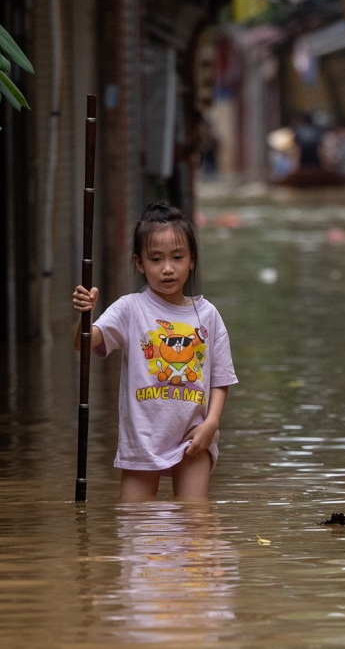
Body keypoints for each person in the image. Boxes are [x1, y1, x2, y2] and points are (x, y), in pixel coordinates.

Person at [72, 203, 237, 503]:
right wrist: (86, 315)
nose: (167, 268)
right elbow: (85, 344)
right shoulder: (130, 309)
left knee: (194, 525)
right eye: (155, 259)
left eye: (177, 257)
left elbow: (220, 378)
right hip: (143, 439)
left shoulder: (208, 315)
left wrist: (211, 424)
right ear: (139, 262)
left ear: (192, 260)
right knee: (137, 526)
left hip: (194, 435)